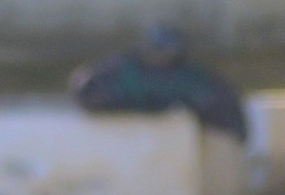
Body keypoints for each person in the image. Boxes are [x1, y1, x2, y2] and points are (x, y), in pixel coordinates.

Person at [69, 24, 248, 141]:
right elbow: (84, 88)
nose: (160, 56)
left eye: (167, 51)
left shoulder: (191, 77)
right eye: (157, 49)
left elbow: (226, 110)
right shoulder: (122, 68)